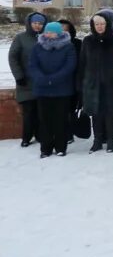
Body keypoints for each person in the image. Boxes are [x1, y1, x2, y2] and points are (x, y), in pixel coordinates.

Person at [78, 10, 113, 154]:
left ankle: (110, 140)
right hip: (92, 84)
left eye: (102, 24)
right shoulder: (88, 41)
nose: (99, 26)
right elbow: (82, 63)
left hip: (111, 84)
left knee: (110, 114)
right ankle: (97, 141)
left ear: (107, 24)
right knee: (96, 114)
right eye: (96, 24)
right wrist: (81, 82)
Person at [28, 22, 77, 158]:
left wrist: (53, 79)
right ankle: (46, 148)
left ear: (59, 33)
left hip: (62, 90)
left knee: (60, 120)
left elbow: (70, 66)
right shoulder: (38, 47)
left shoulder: (68, 47)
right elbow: (32, 65)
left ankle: (61, 147)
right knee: (44, 120)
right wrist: (42, 78)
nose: (48, 34)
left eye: (52, 32)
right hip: (42, 89)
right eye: (47, 32)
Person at [9, 12, 46, 147]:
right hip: (26, 82)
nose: (38, 26)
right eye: (35, 23)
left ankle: (40, 134)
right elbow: (13, 57)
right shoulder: (21, 38)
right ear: (30, 24)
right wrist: (19, 76)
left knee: (41, 112)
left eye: (40, 23)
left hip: (42, 82)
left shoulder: (45, 38)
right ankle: (26, 137)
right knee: (29, 112)